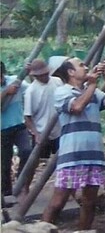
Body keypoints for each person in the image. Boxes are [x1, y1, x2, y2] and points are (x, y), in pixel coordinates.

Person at [42, 57, 105, 230]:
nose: (86, 67)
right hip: (73, 156)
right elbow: (77, 107)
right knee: (58, 201)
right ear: (70, 72)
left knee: (89, 202)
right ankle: (41, 229)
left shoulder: (93, 92)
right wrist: (92, 84)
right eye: (81, 65)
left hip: (94, 155)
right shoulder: (62, 92)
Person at [22, 59, 63, 190]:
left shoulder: (57, 82)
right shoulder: (31, 91)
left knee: (63, 161)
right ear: (35, 76)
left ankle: (65, 189)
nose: (44, 77)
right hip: (42, 130)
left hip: (59, 129)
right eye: (41, 75)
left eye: (45, 73)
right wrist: (36, 134)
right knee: (34, 162)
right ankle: (26, 188)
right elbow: (27, 117)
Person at [1, 61, 32, 202]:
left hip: (19, 125)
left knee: (26, 151)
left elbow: (31, 91)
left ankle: (21, 181)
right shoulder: (9, 87)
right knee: (5, 163)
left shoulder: (15, 81)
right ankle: (6, 194)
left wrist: (30, 74)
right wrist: (6, 92)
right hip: (2, 130)